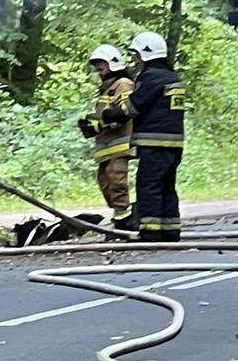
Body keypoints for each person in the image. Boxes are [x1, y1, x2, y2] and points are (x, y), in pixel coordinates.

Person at [125, 31, 186, 241]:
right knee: (167, 185)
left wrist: (110, 114)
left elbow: (134, 106)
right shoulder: (172, 77)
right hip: (174, 144)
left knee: (149, 185)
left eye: (136, 55)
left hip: (154, 142)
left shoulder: (151, 77)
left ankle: (150, 231)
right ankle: (170, 229)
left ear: (145, 54)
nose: (135, 60)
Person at [78, 44, 137, 231]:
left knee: (116, 180)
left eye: (100, 64)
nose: (97, 69)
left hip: (120, 145)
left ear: (112, 63)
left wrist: (99, 125)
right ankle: (121, 215)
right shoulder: (106, 88)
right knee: (104, 181)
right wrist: (90, 125)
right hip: (106, 147)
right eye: (96, 65)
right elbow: (105, 114)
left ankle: (124, 221)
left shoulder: (124, 84)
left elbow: (122, 113)